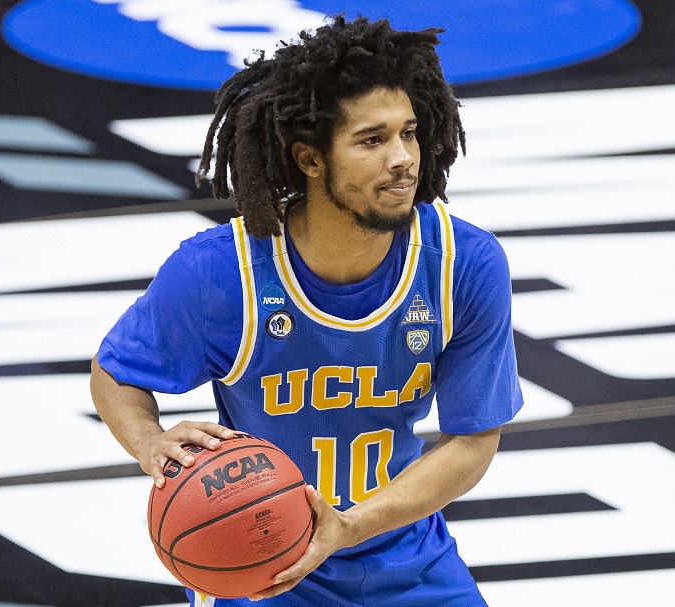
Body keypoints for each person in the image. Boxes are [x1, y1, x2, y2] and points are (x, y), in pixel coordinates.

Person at [90, 15, 523, 607]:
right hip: (260, 566)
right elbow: (116, 372)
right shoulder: (221, 273)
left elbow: (473, 441)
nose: (403, 158)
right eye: (371, 140)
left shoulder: (462, 263)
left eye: (409, 133)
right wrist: (149, 442)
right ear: (311, 160)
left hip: (406, 557)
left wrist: (348, 527)